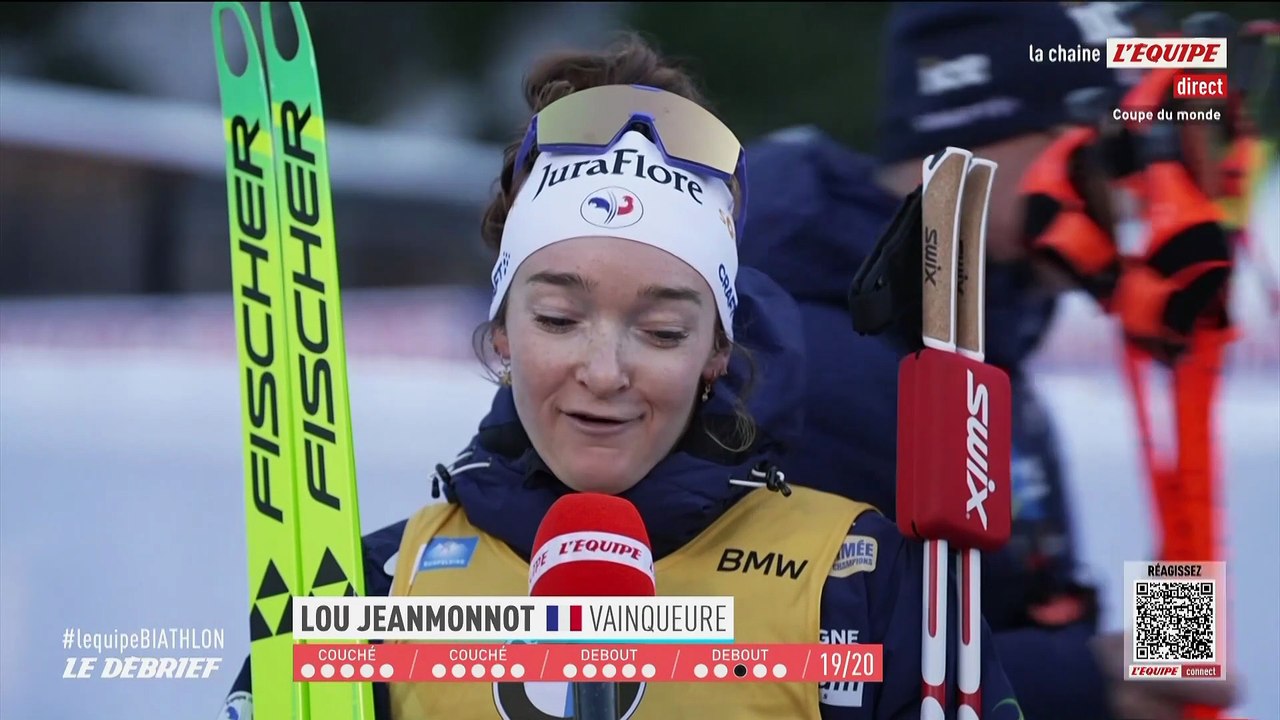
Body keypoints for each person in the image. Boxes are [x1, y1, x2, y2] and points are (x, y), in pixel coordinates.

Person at [219, 33, 1024, 720]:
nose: (604, 373)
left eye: (662, 331)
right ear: (501, 331)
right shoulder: (376, 590)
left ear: (717, 350)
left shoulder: (857, 582)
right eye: (558, 319)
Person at [735, 3, 1240, 720]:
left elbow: (1024, 601)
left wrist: (1150, 665)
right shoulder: (807, 364)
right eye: (1119, 150)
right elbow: (769, 663)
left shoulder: (987, 323)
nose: (1142, 193)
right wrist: (1079, 683)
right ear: (997, 131)